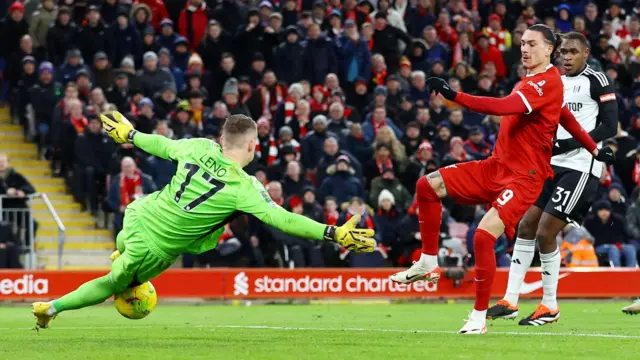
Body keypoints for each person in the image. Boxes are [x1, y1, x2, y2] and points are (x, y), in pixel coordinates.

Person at [32, 112, 376, 329]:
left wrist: (130, 134)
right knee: (113, 284)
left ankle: (120, 252)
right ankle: (53, 307)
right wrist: (332, 232)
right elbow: (283, 220)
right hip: (156, 247)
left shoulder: (198, 146)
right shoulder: (246, 187)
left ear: (222, 139)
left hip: (139, 211)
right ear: (253, 145)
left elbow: (162, 144)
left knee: (126, 243)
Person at [389, 24, 614, 334]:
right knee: (427, 185)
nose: (524, 49)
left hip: (524, 178)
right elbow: (567, 118)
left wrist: (454, 95)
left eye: (532, 44)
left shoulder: (544, 83)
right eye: (522, 43)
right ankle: (429, 261)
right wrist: (595, 149)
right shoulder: (537, 81)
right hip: (496, 167)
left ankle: (479, 317)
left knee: (484, 236)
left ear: (549, 49)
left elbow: (501, 106)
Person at [487, 32, 619, 326]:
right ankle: (510, 298)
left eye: (573, 52)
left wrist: (569, 144)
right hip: (548, 166)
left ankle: (550, 305)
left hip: (581, 167)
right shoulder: (552, 81)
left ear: (585, 53)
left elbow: (610, 126)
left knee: (547, 231)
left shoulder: (598, 81)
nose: (567, 57)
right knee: (526, 224)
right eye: (564, 53)